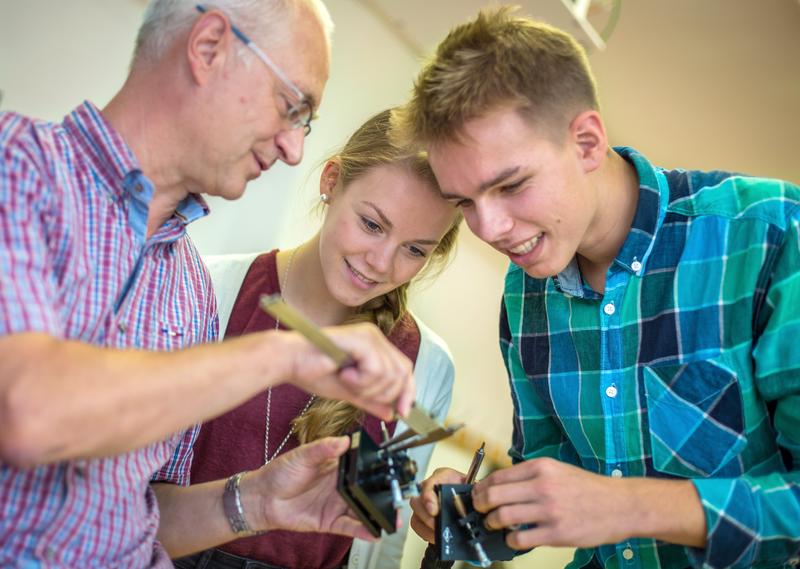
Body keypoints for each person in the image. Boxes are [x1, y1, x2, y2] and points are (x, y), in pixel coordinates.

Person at [0, 2, 416, 567]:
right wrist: (284, 353)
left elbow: (146, 518)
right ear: (209, 47)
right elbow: (27, 413)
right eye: (291, 106)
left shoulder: (188, 286)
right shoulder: (18, 167)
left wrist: (261, 501)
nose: (294, 148)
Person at [398, 7, 800, 569]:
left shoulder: (769, 237)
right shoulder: (525, 294)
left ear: (587, 142)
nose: (488, 230)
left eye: (510, 185)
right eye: (464, 201)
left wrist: (626, 506)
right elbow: (552, 474)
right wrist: (480, 510)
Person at [161, 108, 460, 569]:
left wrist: (430, 510)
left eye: (415, 249)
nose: (381, 263)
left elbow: (382, 546)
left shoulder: (427, 364)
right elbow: (126, 493)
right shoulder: (207, 289)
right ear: (332, 181)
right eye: (372, 225)